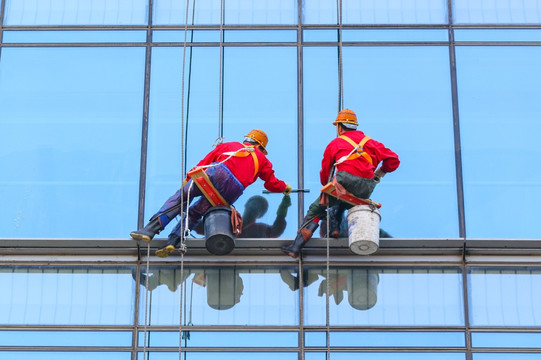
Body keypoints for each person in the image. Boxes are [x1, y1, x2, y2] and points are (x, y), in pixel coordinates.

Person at [130, 129, 292, 257]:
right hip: (233, 191)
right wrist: (285, 188)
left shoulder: (230, 146)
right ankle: (173, 241)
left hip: (219, 172)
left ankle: (150, 230)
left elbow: (203, 164)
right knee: (195, 213)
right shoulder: (263, 160)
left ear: (247, 140)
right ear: (261, 147)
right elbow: (272, 183)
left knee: (181, 198)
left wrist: (187, 180)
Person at [281, 109, 400, 258]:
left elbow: (325, 170)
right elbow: (394, 159)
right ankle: (334, 229)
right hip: (366, 188)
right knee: (342, 202)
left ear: (339, 127)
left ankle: (295, 247)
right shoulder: (372, 143)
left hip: (344, 182)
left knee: (316, 209)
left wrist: (326, 187)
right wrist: (379, 173)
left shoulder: (336, 143)